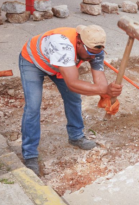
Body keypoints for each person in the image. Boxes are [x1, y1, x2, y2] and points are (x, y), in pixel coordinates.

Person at [19, 24, 122, 176]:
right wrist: (104, 90)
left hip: (61, 65)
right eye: (90, 54)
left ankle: (76, 136)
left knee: (74, 99)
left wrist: (107, 95)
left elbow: (100, 82)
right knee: (33, 106)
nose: (92, 57)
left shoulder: (95, 50)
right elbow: (72, 84)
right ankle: (30, 154)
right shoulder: (62, 44)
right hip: (34, 62)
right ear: (79, 42)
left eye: (96, 54)